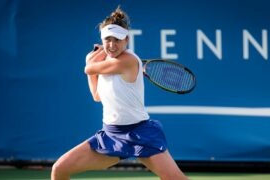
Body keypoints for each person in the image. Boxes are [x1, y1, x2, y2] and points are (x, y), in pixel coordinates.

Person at [51, 6, 188, 180]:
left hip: (140, 133)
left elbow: (88, 68)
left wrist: (90, 58)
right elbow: (97, 96)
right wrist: (95, 62)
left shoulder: (128, 61)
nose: (112, 45)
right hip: (111, 134)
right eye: (108, 39)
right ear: (102, 39)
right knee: (59, 169)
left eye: (117, 39)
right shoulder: (107, 61)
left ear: (126, 41)